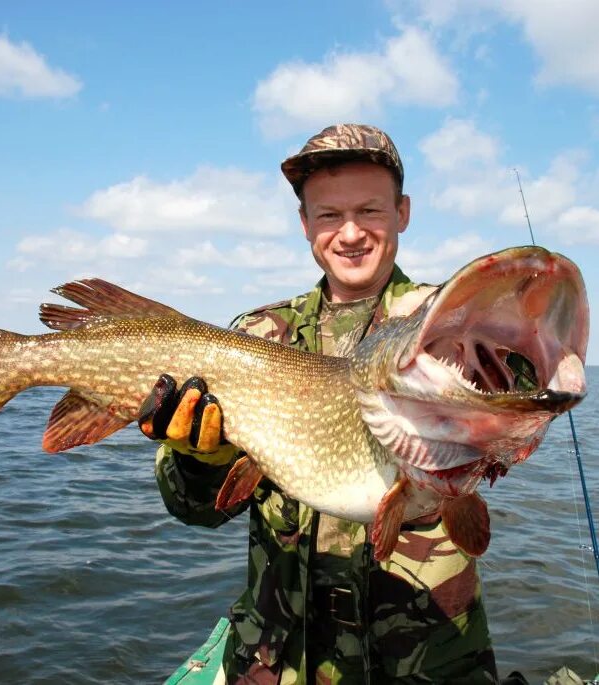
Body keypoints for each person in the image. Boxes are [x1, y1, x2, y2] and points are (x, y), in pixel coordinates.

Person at [141, 124, 500, 684]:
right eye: (329, 215)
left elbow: (513, 385)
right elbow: (193, 510)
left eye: (370, 211)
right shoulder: (259, 335)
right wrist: (197, 460)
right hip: (279, 660)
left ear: (402, 212)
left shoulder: (445, 326)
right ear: (306, 223)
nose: (350, 232)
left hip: (425, 662)